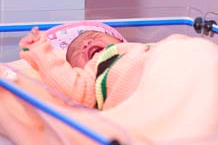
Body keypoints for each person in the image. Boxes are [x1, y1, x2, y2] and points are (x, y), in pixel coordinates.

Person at [19, 21, 149, 110]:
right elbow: (74, 88)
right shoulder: (97, 71)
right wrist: (39, 50)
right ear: (76, 71)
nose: (86, 44)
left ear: (120, 41)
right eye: (76, 53)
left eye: (94, 36)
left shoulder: (137, 48)